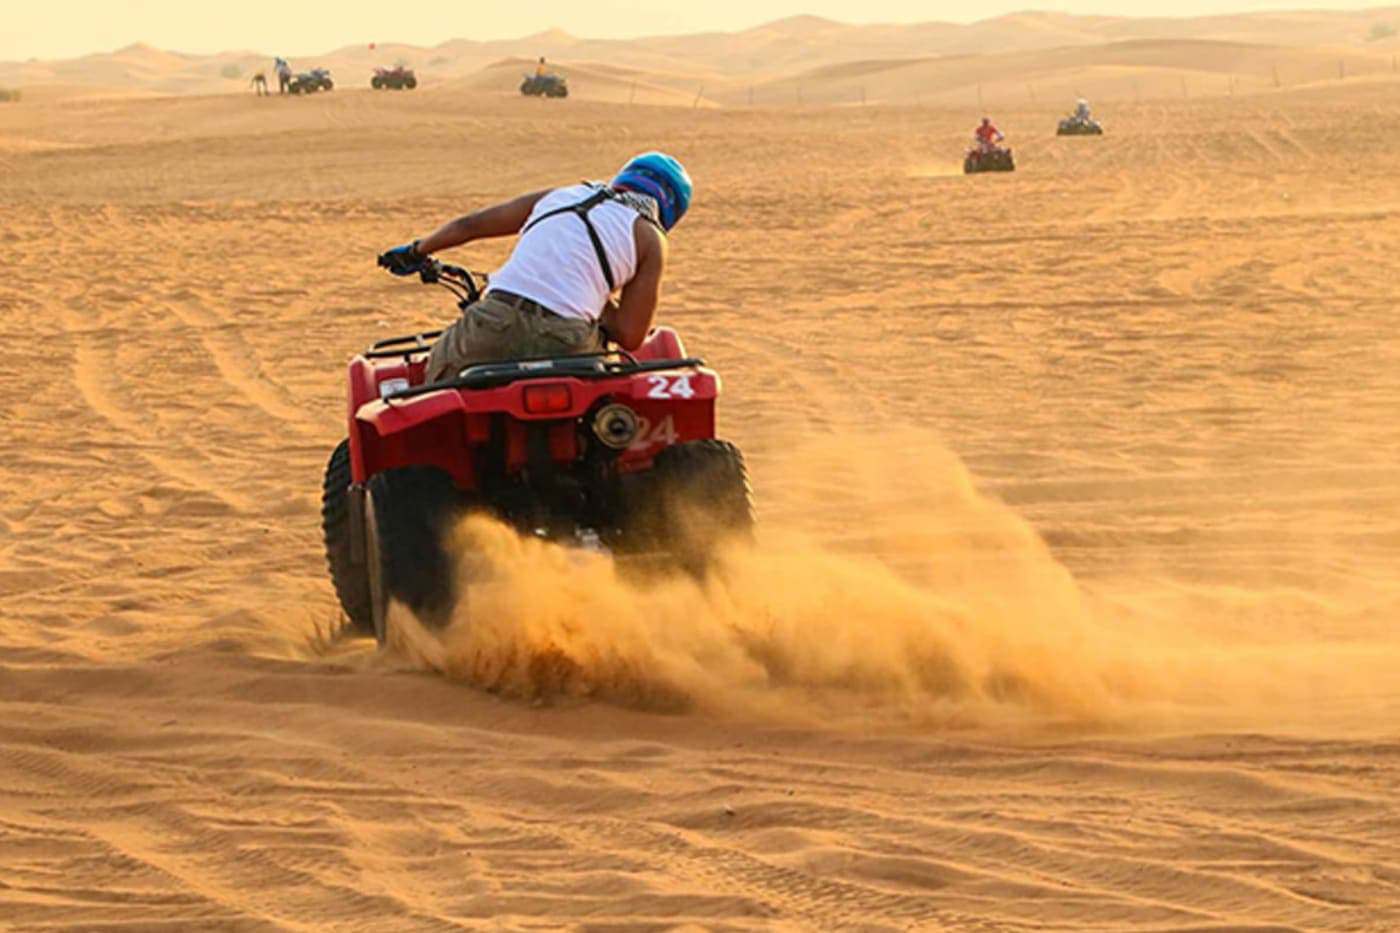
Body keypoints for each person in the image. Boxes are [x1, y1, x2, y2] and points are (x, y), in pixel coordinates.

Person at [378, 152, 693, 383]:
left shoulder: (562, 195)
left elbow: (470, 224)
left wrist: (416, 250)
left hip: (491, 326)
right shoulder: (651, 238)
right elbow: (630, 335)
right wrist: (593, 293)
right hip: (569, 343)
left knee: (436, 382)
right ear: (670, 209)